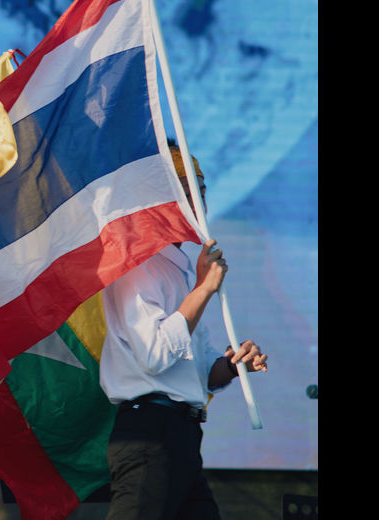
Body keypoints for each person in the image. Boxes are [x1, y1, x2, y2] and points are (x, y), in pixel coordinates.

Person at [98, 142, 269, 520]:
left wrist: (234, 365)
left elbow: (199, 371)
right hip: (149, 433)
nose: (199, 203)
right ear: (159, 200)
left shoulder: (178, 266)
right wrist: (203, 290)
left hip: (182, 437)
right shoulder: (138, 263)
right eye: (186, 192)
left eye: (202, 191)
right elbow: (155, 355)